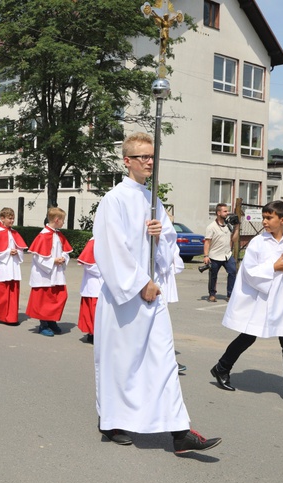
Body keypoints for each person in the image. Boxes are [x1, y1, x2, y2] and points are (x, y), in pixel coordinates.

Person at [92, 132, 221, 453]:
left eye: (152, 157)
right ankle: (112, 422)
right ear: (127, 161)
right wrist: (139, 283)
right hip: (125, 299)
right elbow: (110, 250)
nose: (149, 162)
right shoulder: (115, 199)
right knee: (122, 361)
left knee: (163, 360)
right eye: (142, 157)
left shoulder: (153, 200)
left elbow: (169, 253)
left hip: (152, 296)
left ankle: (179, 433)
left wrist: (160, 234)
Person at [210, 200, 283, 410]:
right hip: (262, 299)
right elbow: (249, 272)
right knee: (248, 336)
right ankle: (221, 368)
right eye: (264, 217)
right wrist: (273, 267)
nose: (264, 221)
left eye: (269, 218)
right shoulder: (258, 242)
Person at [26, 207, 72, 337]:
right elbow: (38, 257)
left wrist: (63, 258)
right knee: (44, 299)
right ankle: (43, 325)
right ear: (57, 220)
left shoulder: (58, 234)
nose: (64, 223)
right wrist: (52, 261)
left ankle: (52, 321)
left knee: (58, 297)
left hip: (57, 272)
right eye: (63, 220)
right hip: (44, 274)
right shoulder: (43, 235)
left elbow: (66, 251)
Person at [0, 207, 27, 325]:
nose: (12, 221)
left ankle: (11, 316)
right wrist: (8, 252)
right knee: (0, 291)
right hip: (1, 266)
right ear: (2, 219)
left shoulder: (15, 233)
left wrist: (17, 252)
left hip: (13, 265)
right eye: (9, 219)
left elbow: (21, 249)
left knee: (12, 290)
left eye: (13, 219)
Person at [203, 203, 239, 302]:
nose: (227, 213)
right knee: (213, 276)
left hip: (227, 255)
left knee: (232, 272)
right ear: (218, 213)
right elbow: (207, 242)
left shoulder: (228, 225)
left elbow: (234, 240)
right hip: (215, 256)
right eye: (225, 211)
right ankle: (212, 294)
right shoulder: (211, 227)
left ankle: (230, 294)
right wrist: (206, 256)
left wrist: (236, 227)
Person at [76, 237, 101, 344]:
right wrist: (106, 271)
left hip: (105, 282)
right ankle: (92, 334)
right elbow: (88, 265)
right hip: (95, 283)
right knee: (93, 310)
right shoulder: (94, 241)